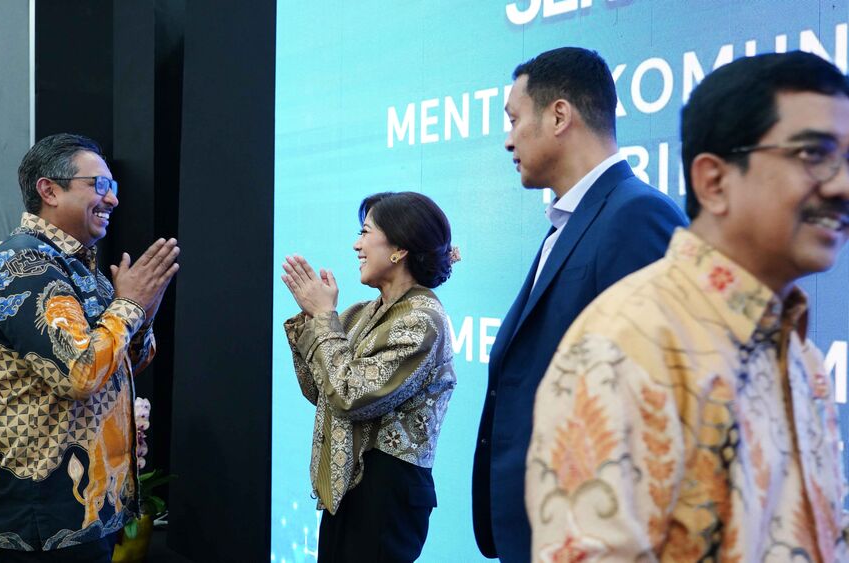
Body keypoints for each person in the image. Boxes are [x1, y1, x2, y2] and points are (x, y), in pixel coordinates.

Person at [526, 51, 849, 560]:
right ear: (714, 181)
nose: (841, 185)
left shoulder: (802, 357)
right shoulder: (625, 348)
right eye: (814, 154)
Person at [471, 47, 688, 562]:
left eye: (513, 119)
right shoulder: (569, 222)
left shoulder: (637, 216)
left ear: (559, 116)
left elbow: (654, 412)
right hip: (542, 530)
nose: (507, 140)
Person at [0, 133, 178, 562]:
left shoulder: (78, 266)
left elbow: (123, 364)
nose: (113, 199)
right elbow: (80, 374)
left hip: (85, 506)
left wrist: (143, 312)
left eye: (112, 187)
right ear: (49, 190)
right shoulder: (24, 265)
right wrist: (129, 305)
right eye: (99, 185)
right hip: (44, 514)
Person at [282, 191, 458, 562]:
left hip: (386, 496)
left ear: (399, 249)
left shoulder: (421, 320)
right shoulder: (363, 312)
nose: (356, 245)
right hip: (350, 490)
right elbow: (320, 390)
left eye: (365, 232)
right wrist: (313, 317)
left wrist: (324, 319)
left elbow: (349, 397)